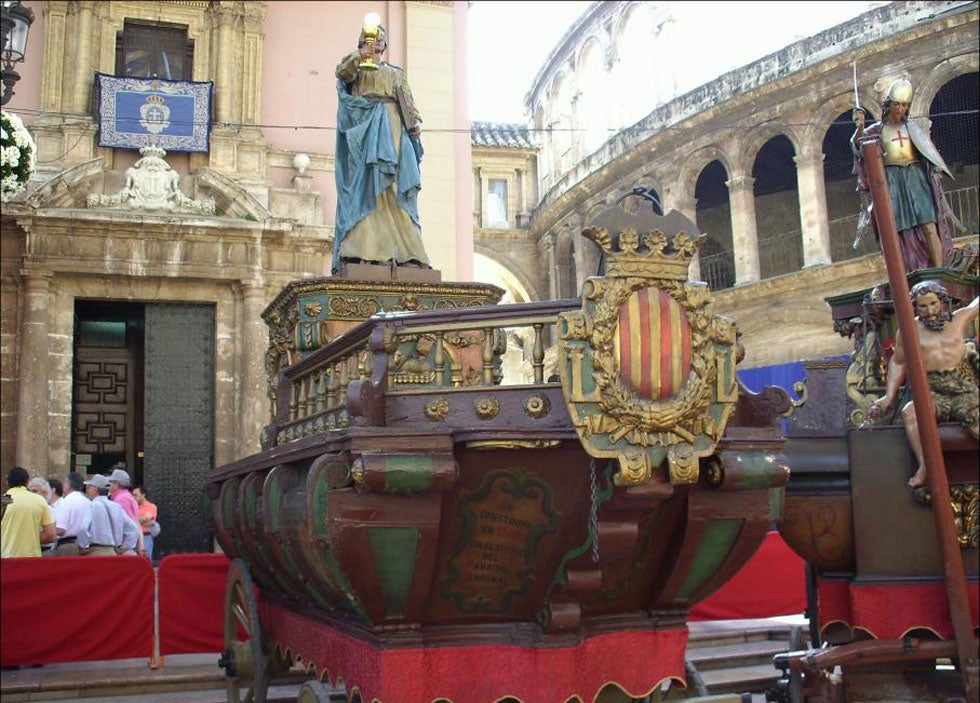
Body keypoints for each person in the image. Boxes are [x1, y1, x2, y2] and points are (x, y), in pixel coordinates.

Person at [332, 19, 431, 274]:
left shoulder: (396, 72)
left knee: (395, 186)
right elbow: (342, 74)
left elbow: (407, 102)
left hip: (394, 129)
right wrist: (360, 55)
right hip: (366, 130)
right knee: (366, 188)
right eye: (371, 38)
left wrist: (413, 128)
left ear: (385, 44)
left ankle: (408, 252)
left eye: (380, 38)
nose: (376, 42)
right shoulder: (357, 69)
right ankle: (361, 249)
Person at [867, 281, 979, 488]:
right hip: (933, 391)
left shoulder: (959, 318)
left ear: (942, 302)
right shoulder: (908, 331)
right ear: (915, 307)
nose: (930, 311)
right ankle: (925, 466)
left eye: (933, 304)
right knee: (910, 412)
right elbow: (899, 362)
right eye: (923, 306)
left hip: (963, 388)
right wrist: (889, 396)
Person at [851, 78, 958, 272]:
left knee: (929, 224)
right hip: (892, 180)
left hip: (916, 178)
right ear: (888, 105)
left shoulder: (912, 128)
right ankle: (906, 271)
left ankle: (939, 270)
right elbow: (858, 146)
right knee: (897, 231)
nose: (900, 109)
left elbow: (927, 152)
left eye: (904, 105)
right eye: (896, 104)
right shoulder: (875, 130)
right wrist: (859, 127)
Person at [1, 467, 57, 558]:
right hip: (31, 558)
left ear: (7, 482)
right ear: (27, 482)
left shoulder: (4, 500)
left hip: (5, 558)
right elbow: (51, 535)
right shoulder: (39, 500)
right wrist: (30, 539)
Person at [47, 471, 93, 557]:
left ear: (68, 485)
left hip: (67, 546)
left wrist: (47, 532)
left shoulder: (66, 502)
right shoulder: (88, 502)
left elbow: (61, 529)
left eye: (64, 483)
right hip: (85, 545)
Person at [132, 485, 158, 561]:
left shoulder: (151, 506)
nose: (133, 497)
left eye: (136, 495)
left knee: (145, 561)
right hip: (132, 538)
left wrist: (132, 520)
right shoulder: (132, 506)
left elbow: (145, 518)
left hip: (145, 537)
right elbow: (142, 520)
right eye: (132, 495)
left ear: (143, 495)